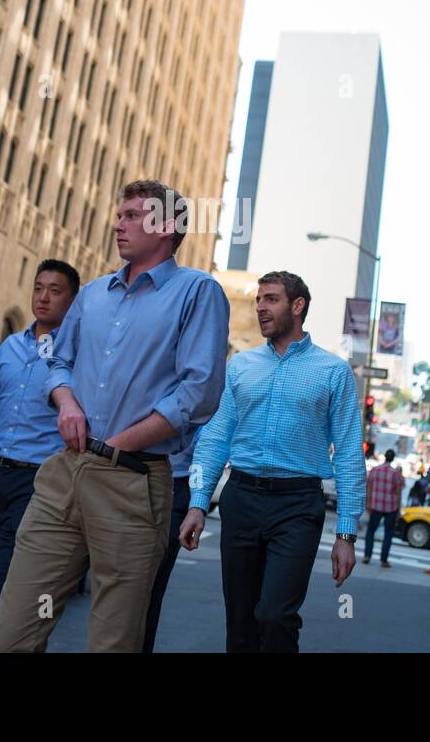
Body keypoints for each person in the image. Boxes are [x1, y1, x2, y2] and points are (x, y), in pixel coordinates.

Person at [0, 180, 230, 653]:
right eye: (118, 214)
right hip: (65, 472)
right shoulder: (95, 293)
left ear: (166, 227)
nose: (118, 224)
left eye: (131, 215)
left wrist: (122, 443)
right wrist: (67, 400)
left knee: (113, 641)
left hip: (133, 482)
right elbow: (57, 361)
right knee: (12, 633)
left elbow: (199, 392)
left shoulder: (198, 292)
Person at [180, 271, 366, 653]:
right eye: (259, 300)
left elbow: (348, 453)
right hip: (242, 498)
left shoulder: (333, 373)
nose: (260, 307)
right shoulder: (241, 367)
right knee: (241, 621)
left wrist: (346, 534)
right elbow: (216, 437)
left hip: (297, 506)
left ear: (297, 307)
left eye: (271, 299)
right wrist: (198, 502)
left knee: (276, 616)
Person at [0, 260, 80, 653]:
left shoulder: (76, 355)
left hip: (39, 484)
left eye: (55, 290)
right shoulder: (10, 346)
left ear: (72, 301)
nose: (43, 296)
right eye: (39, 287)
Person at [141, 431, 197, 653]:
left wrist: (198, 504)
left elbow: (206, 439)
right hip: (107, 474)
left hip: (172, 482)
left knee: (148, 588)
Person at [363, 449, 405, 567]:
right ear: (393, 458)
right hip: (391, 507)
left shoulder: (375, 470)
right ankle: (383, 559)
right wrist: (398, 509)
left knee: (371, 531)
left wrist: (368, 503)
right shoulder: (396, 473)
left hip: (376, 505)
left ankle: (367, 555)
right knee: (388, 533)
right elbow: (398, 492)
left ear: (384, 457)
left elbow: (369, 488)